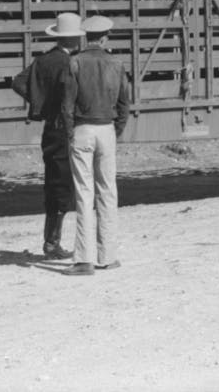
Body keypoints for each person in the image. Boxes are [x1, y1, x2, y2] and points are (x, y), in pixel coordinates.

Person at [60, 14, 131, 276]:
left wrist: (70, 133)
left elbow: (67, 104)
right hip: (107, 130)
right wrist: (117, 130)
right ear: (104, 38)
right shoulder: (117, 63)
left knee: (84, 194)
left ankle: (84, 260)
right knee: (108, 192)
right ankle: (108, 256)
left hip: (82, 129)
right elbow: (125, 103)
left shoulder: (74, 62)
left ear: (85, 37)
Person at [11, 12, 83, 260]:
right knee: (65, 185)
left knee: (54, 182)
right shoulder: (70, 64)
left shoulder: (43, 61)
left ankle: (51, 241)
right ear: (73, 39)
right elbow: (68, 99)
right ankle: (52, 244)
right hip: (66, 128)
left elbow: (18, 82)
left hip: (50, 128)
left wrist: (39, 103)